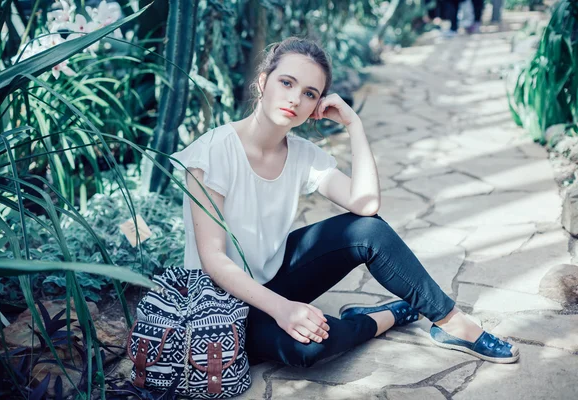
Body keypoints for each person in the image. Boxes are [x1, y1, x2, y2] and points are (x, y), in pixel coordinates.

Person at [170, 37, 519, 369]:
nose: (295, 99)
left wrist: (354, 125)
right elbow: (213, 259)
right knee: (310, 349)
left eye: (309, 93)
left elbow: (365, 206)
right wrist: (283, 309)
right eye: (286, 83)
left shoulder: (303, 154)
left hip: (274, 279)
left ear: (317, 105)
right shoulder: (214, 151)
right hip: (220, 303)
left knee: (368, 231)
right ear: (263, 82)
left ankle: (452, 322)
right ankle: (389, 316)